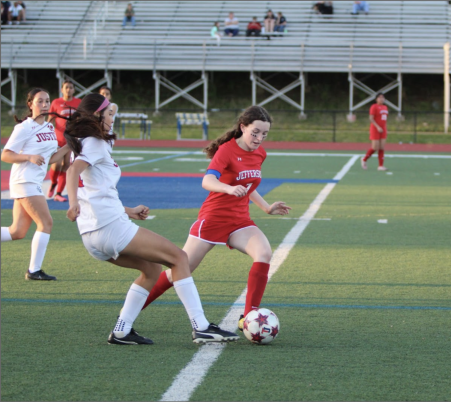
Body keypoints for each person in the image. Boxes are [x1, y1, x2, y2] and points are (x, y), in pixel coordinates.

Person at [64, 93, 238, 345]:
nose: (113, 118)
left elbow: (95, 193)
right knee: (179, 258)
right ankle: (201, 327)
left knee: (151, 269)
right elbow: (72, 173)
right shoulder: (94, 143)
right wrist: (71, 204)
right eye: (110, 113)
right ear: (96, 115)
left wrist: (129, 210)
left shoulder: (84, 144)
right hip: (109, 228)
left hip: (92, 235)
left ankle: (122, 330)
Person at [139, 106, 291, 333]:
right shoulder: (226, 151)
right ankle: (133, 308)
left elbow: (249, 185)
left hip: (240, 221)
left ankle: (249, 318)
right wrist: (228, 189)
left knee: (264, 253)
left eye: (264, 134)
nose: (259, 138)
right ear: (243, 127)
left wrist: (267, 207)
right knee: (178, 271)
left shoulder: (260, 153)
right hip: (213, 219)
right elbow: (207, 181)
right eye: (255, 132)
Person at [1, 88, 71, 281]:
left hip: (33, 182)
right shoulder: (24, 127)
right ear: (30, 104)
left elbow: (49, 159)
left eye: (47, 101)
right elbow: (5, 154)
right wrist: (29, 156)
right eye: (39, 101)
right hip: (25, 181)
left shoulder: (49, 127)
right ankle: (34, 271)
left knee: (17, 231)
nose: (44, 105)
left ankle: (34, 270)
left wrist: (68, 145)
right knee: (46, 222)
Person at [47, 80, 81, 202]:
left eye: (71, 87)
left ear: (74, 90)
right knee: (56, 165)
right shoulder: (57, 102)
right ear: (62, 89)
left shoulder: (78, 102)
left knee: (66, 165)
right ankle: (52, 183)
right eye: (66, 87)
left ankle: (59, 193)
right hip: (58, 139)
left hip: (71, 139)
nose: (68, 90)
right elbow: (50, 119)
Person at [361, 93, 389, 171]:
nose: (381, 99)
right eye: (379, 97)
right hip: (375, 129)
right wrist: (377, 127)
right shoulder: (374, 106)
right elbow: (371, 118)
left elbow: (384, 119)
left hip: (383, 129)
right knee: (375, 147)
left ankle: (380, 165)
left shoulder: (385, 107)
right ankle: (364, 159)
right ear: (376, 99)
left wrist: (385, 128)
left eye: (383, 97)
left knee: (382, 147)